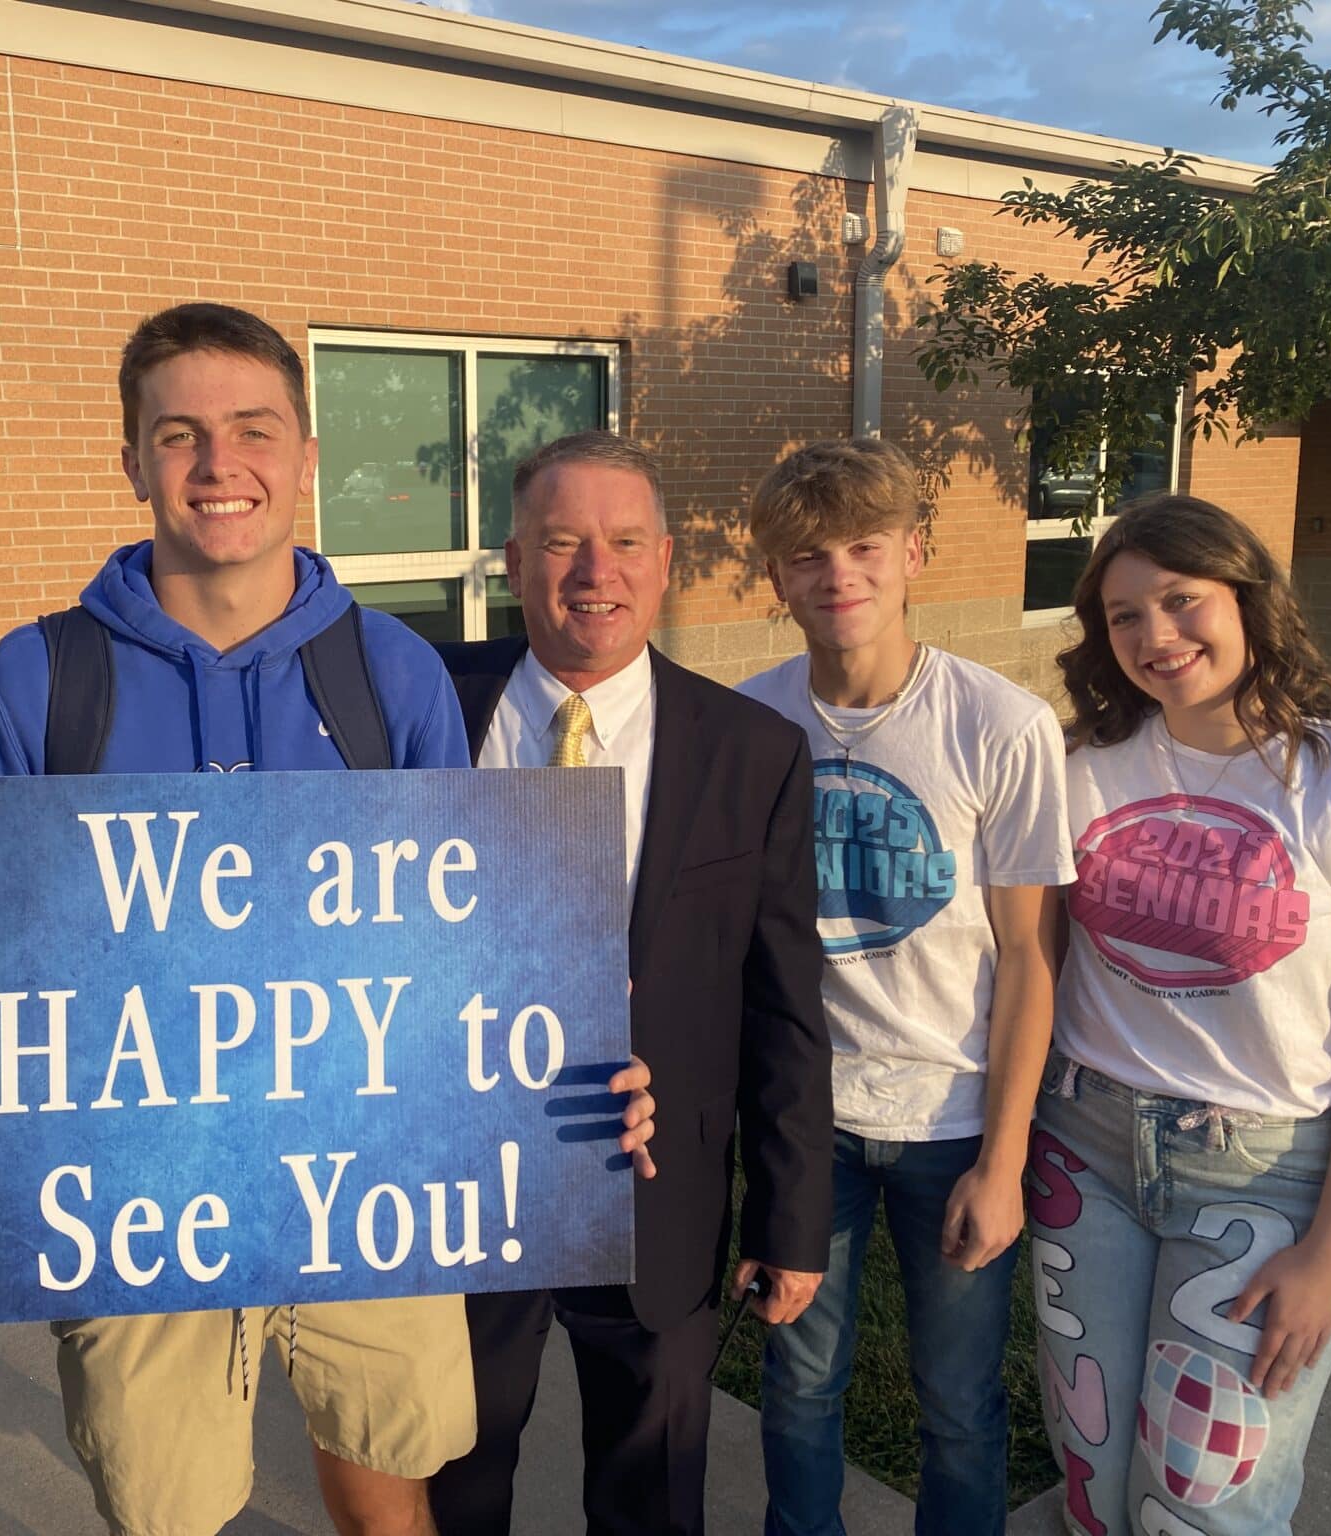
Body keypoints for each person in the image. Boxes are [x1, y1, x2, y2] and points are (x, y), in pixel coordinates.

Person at [0, 303, 654, 1536]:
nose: (217, 465)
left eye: (252, 429)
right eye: (179, 433)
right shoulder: (40, 681)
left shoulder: (389, 674)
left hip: (367, 1166)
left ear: (304, 454)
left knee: (384, 1483)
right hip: (138, 1185)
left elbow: (457, 939)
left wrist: (567, 1061)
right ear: (131, 457)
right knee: (166, 1508)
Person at [1033, 494, 1331, 1536]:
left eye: (1179, 602)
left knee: (1201, 1500)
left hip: (1263, 1173)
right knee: (1090, 1474)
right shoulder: (1082, 767)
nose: (1153, 637)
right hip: (1083, 1146)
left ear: (1248, 597)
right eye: (1122, 617)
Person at [425, 430, 831, 1536]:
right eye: (561, 543)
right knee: (451, 1481)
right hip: (457, 1186)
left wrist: (791, 1216)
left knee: (650, 1494)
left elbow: (783, 1002)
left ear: (664, 564)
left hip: (660, 1192)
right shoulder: (415, 714)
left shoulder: (751, 750)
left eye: (621, 544)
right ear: (510, 563)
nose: (592, 574)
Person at [735, 437, 1072, 1536]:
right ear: (773, 576)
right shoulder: (747, 724)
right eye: (807, 553)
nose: (839, 573)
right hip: (806, 1123)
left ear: (913, 554)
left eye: (864, 546)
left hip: (952, 1118)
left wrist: (1004, 1156)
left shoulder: (998, 726)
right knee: (797, 1387)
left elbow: (1028, 958)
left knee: (960, 1406)